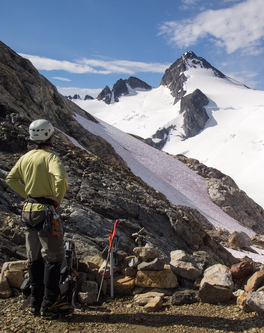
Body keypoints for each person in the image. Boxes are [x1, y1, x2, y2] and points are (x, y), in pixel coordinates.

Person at [6, 119, 73, 318]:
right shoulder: (50, 158)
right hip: (45, 211)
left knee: (34, 257)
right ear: (49, 137)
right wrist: (56, 200)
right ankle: (50, 303)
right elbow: (61, 179)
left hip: (27, 210)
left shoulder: (26, 157)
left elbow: (11, 178)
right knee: (54, 256)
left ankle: (34, 302)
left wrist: (27, 194)